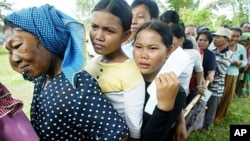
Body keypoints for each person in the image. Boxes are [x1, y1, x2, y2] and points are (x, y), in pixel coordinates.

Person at [3, 4, 129, 141]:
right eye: (9, 51)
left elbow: (118, 135)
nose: (14, 58)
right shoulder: (44, 78)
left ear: (46, 38)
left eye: (17, 46)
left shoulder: (76, 86)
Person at [85, 0, 145, 140]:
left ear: (125, 35)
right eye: (94, 26)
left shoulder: (130, 75)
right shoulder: (91, 64)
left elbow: (134, 129)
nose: (98, 36)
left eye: (108, 30)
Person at [133, 20, 187, 141]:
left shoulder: (174, 92)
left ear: (169, 51)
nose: (143, 55)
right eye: (138, 47)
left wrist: (164, 108)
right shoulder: (124, 77)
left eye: (152, 48)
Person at [214, 27, 247, 124]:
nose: (235, 38)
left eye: (237, 36)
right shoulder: (222, 44)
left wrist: (240, 62)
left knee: (226, 96)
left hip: (232, 75)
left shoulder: (240, 48)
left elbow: (246, 62)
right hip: (220, 74)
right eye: (233, 35)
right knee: (216, 96)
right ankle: (211, 113)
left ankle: (219, 116)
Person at [203, 27, 232, 131]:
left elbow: (221, 70)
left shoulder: (228, 53)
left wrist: (211, 61)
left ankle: (207, 128)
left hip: (216, 87)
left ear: (226, 40)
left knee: (211, 108)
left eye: (218, 37)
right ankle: (199, 125)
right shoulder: (212, 50)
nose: (214, 39)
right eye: (214, 36)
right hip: (206, 84)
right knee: (203, 105)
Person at [236, 33, 250, 98]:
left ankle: (242, 93)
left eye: (247, 41)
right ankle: (237, 91)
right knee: (239, 78)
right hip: (240, 65)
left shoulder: (248, 48)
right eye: (244, 40)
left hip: (246, 67)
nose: (245, 42)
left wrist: (246, 65)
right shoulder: (240, 47)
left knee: (244, 79)